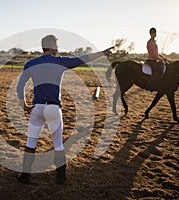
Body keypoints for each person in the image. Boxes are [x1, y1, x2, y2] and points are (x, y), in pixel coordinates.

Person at [16, 35, 112, 184]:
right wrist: (102, 53)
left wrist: (24, 105)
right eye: (57, 45)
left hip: (37, 108)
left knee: (31, 142)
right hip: (54, 109)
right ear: (52, 46)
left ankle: (25, 176)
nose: (58, 48)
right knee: (58, 143)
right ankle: (60, 177)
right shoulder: (60, 61)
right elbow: (83, 58)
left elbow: (19, 86)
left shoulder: (31, 63)